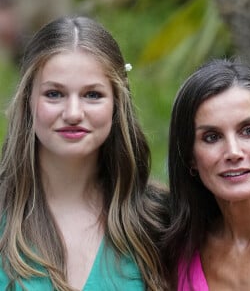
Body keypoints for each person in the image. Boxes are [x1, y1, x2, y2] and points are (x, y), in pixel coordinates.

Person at [0, 16, 169, 291]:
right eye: (54, 94)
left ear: (117, 102)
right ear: (28, 100)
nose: (73, 114)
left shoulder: (156, 219)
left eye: (92, 95)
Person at [166, 58, 250, 290]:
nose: (234, 152)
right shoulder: (175, 254)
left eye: (249, 131)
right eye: (212, 137)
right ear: (190, 157)